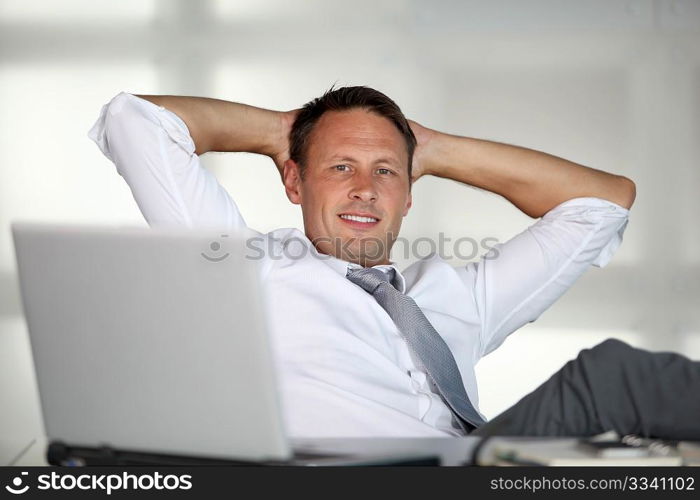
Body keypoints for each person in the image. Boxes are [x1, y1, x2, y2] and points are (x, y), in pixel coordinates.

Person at [89, 86, 699, 440]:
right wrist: (286, 132)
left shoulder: (459, 294)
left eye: (386, 172)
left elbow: (601, 204)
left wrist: (430, 148)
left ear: (409, 193)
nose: (364, 188)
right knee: (610, 379)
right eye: (339, 167)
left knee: (616, 383)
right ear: (295, 183)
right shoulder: (245, 267)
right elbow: (135, 120)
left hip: (476, 464)